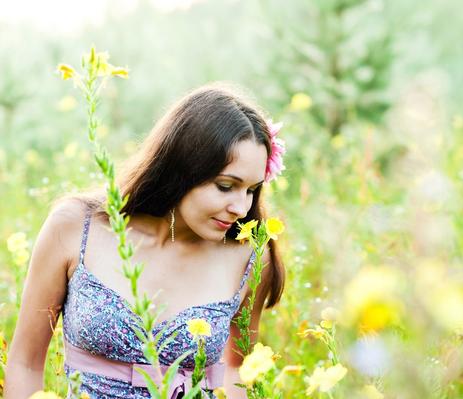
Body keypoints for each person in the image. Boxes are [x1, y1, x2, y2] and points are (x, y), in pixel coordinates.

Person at [5, 83, 286, 399]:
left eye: (251, 190)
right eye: (225, 186)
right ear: (183, 167)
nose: (241, 207)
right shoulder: (75, 226)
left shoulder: (248, 255)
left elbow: (237, 369)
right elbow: (25, 364)